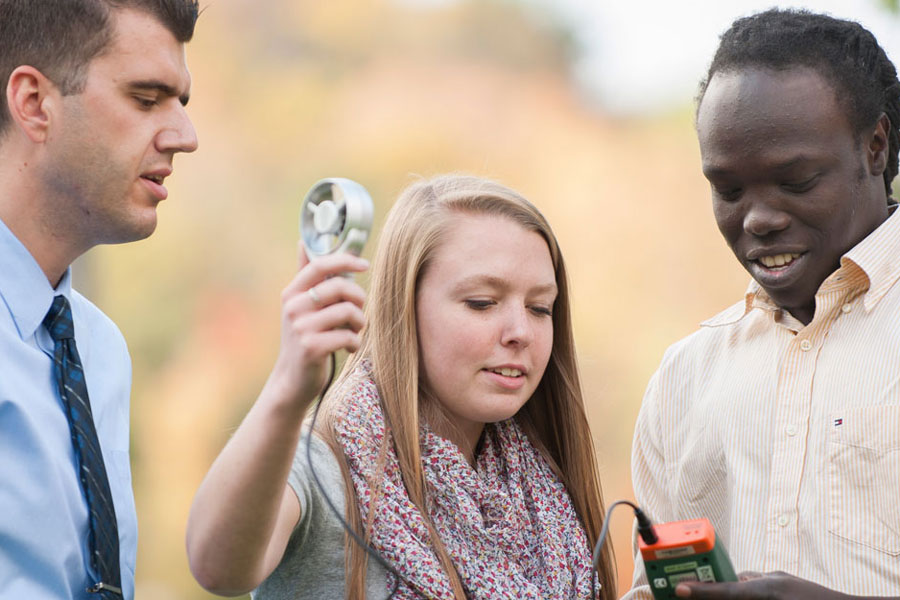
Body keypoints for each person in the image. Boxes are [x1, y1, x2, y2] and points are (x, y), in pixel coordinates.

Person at [186, 174, 617, 599]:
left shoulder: (546, 498)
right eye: (482, 302)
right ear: (404, 306)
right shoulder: (326, 466)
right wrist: (287, 387)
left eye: (540, 307)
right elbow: (216, 567)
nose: (520, 331)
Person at [626, 8, 900, 600]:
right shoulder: (685, 376)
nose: (758, 218)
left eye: (796, 181)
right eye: (727, 190)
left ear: (875, 146)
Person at [0, 0, 199, 597]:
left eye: (180, 103)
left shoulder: (99, 348)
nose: (185, 137)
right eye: (145, 99)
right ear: (35, 103)